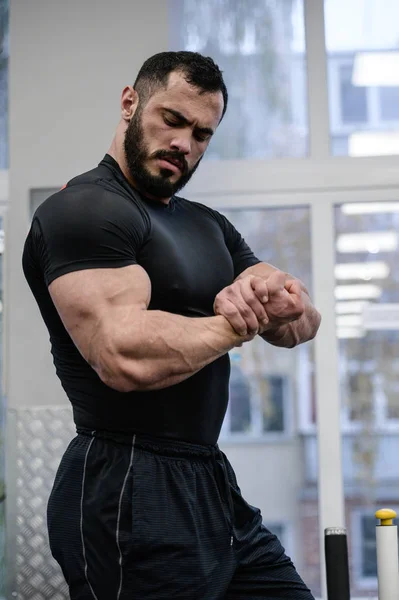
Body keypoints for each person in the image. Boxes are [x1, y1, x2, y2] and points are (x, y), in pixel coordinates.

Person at [22, 51, 321, 600]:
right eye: (173, 120)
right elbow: (121, 354)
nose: (185, 143)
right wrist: (236, 325)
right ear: (130, 102)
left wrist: (280, 295)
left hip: (208, 476)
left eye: (202, 133)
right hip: (125, 479)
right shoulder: (84, 211)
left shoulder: (209, 226)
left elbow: (302, 325)